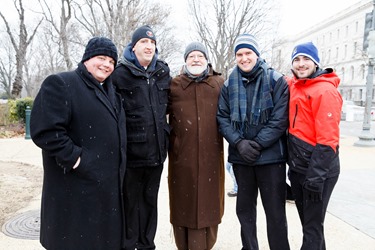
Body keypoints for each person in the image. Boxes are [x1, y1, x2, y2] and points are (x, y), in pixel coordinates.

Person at [30, 37, 126, 249]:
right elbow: (45, 130)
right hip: (74, 190)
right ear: (86, 59)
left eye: (111, 61)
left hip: (104, 191)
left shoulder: (113, 94)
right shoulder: (62, 83)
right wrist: (77, 160)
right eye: (101, 58)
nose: (106, 65)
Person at [217, 34, 290, 250]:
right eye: (239, 54)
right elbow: (222, 117)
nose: (244, 58)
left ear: (257, 55)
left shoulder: (276, 80)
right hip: (242, 159)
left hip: (271, 158)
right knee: (245, 212)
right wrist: (239, 143)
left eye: (248, 53)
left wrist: (256, 144)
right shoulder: (229, 83)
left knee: (275, 213)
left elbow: (280, 119)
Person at [112, 25, 171, 250]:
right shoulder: (119, 73)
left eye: (152, 43)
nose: (149, 46)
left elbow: (171, 106)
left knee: (149, 203)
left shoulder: (163, 71)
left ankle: (147, 245)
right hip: (131, 156)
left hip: (157, 153)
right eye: (144, 42)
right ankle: (128, 245)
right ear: (133, 46)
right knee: (129, 203)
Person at [167, 42, 225, 250]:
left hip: (211, 157)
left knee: (209, 205)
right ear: (185, 60)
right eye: (191, 56)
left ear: (207, 59)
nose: (196, 59)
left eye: (200, 55)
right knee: (184, 205)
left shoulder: (218, 83)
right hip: (182, 158)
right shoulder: (174, 85)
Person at [287, 42, 342, 249]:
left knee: (311, 227)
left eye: (306, 59)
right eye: (296, 60)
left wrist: (316, 177)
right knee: (311, 225)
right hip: (300, 168)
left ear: (315, 62)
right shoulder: (295, 85)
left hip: (318, 171)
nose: (301, 64)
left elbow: (328, 140)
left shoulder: (324, 91)